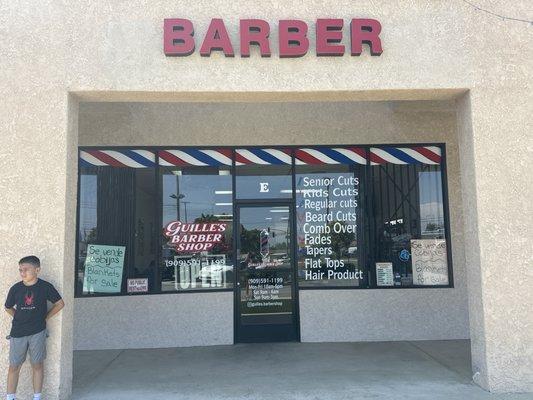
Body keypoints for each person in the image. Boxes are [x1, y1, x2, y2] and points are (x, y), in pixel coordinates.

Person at [4, 256, 64, 400]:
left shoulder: (45, 287)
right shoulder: (16, 288)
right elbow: (8, 307)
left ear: (37, 270)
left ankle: (37, 397)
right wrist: (18, 318)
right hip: (18, 332)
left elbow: (60, 304)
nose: (22, 272)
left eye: (26, 269)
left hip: (38, 331)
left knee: (37, 365)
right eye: (20, 270)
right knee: (14, 366)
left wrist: (45, 317)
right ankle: (10, 397)